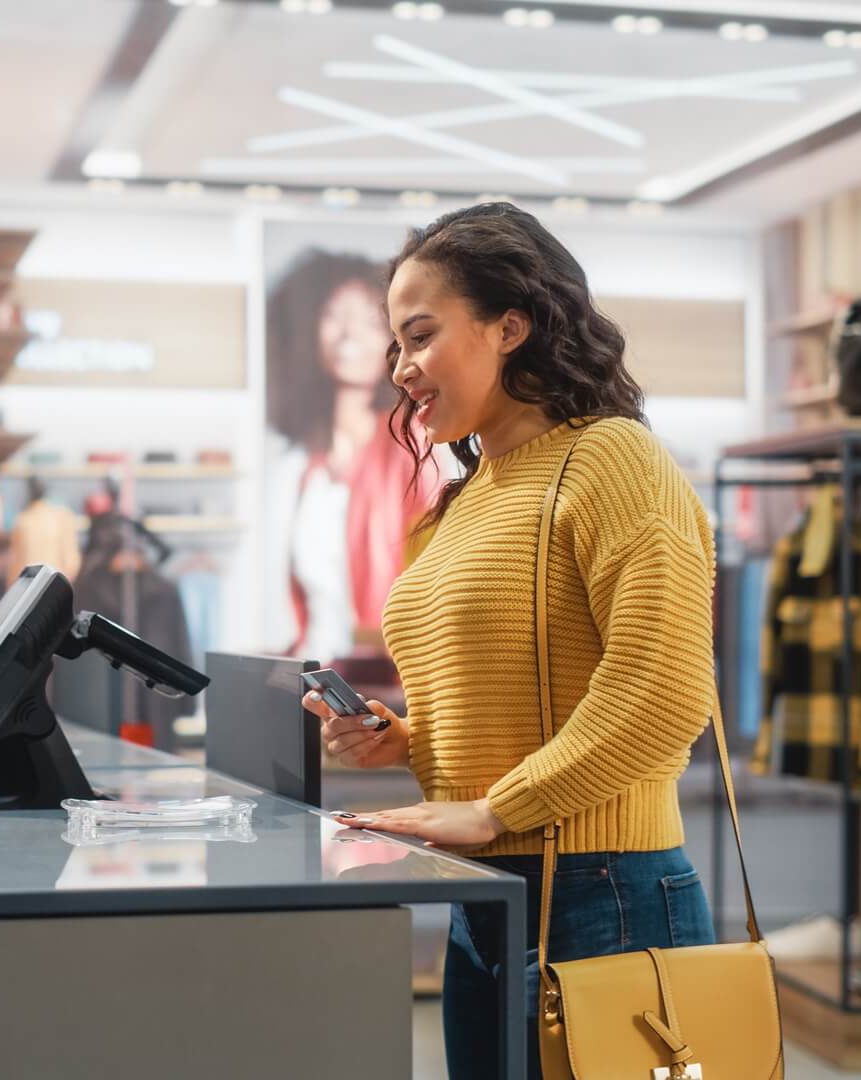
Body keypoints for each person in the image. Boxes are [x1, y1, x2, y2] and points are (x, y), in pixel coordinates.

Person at [304, 204, 717, 1079]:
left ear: (511, 326)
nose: (403, 369)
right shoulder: (464, 499)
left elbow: (666, 688)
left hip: (605, 886)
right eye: (397, 346)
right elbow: (529, 696)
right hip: (490, 888)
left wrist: (499, 808)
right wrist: (407, 741)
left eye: (420, 336)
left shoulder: (613, 460)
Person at [263, 249, 440, 661]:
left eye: (367, 320)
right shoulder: (300, 467)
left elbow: (428, 574)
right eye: (334, 317)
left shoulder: (410, 447)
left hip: (383, 675)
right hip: (316, 672)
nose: (348, 336)